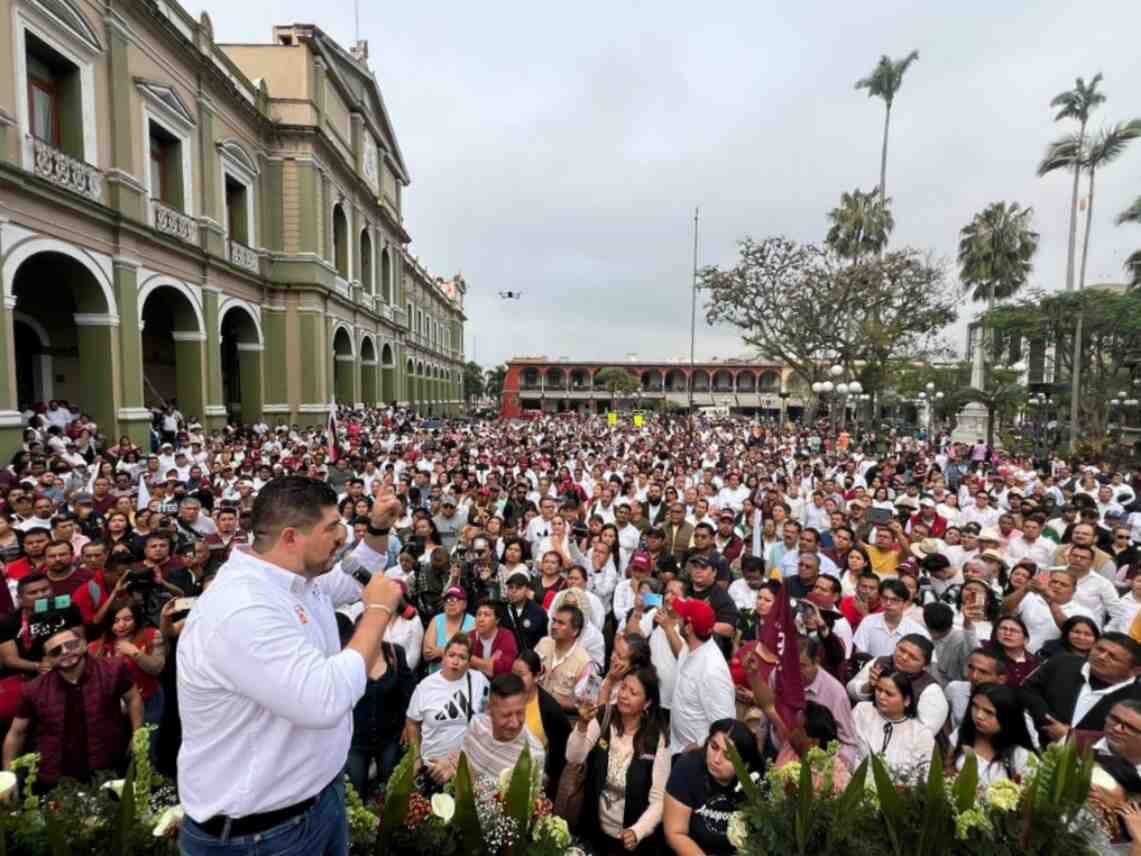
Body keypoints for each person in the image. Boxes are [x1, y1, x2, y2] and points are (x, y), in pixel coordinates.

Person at [176, 476, 403, 855]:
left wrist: (378, 529)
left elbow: (346, 582)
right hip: (262, 834)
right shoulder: (243, 608)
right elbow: (324, 699)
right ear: (291, 538)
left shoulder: (292, 579)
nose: (343, 536)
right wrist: (378, 612)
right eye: (331, 527)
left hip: (315, 801)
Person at [2, 626, 143, 791]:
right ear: (47, 659)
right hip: (55, 776)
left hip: (106, 766)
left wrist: (137, 734)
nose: (65, 651)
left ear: (83, 644)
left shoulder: (113, 670)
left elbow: (133, 698)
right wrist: (8, 777)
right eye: (55, 651)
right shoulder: (34, 690)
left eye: (71, 645)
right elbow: (17, 733)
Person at [569, 667, 670, 854]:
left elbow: (659, 800)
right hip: (593, 832)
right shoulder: (604, 716)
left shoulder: (656, 739)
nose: (624, 695)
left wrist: (637, 831)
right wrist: (582, 725)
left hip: (629, 841)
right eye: (623, 687)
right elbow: (574, 757)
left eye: (633, 693)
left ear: (647, 703)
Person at [663, 719, 764, 856]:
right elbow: (675, 833)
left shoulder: (756, 782)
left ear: (745, 765)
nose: (716, 759)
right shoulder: (688, 767)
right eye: (714, 747)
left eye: (728, 756)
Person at [1020, 632, 1141, 745]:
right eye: (1100, 649)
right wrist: (1047, 721)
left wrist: (1075, 737)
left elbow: (1133, 738)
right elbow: (1028, 689)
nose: (1102, 657)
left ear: (1135, 671)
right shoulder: (1063, 663)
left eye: (1113, 657)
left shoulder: (1137, 698)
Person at [404, 634, 490, 783]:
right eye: (451, 655)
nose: (455, 661)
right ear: (443, 657)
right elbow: (412, 722)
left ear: (469, 662)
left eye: (462, 657)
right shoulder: (425, 687)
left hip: (465, 768)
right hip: (432, 768)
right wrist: (416, 758)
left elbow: (486, 722)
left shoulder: (480, 681)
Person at [348, 637, 415, 798]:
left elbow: (408, 691)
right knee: (355, 793)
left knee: (391, 790)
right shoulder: (348, 658)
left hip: (389, 737)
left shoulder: (395, 653)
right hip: (356, 739)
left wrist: (408, 723)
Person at [669, 599, 735, 755]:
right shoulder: (689, 647)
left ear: (689, 628)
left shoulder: (712, 670)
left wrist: (697, 745)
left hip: (696, 755)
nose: (677, 620)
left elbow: (725, 723)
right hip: (676, 746)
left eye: (681, 618)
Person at [848, 634, 949, 736]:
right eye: (901, 650)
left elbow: (925, 733)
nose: (904, 657)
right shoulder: (880, 663)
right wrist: (869, 686)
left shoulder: (931, 691)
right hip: (866, 726)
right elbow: (850, 690)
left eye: (913, 657)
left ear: (925, 666)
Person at [87, 596, 166, 724]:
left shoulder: (152, 635)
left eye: (127, 619)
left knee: (144, 737)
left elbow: (157, 668)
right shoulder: (97, 646)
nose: (121, 625)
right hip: (113, 708)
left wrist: (135, 653)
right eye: (116, 620)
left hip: (148, 702)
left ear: (136, 619)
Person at [461, 673, 546, 783]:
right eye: (506, 715)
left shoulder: (534, 753)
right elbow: (463, 763)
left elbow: (531, 793)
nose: (515, 723)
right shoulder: (477, 725)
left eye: (520, 713)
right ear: (489, 710)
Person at [852, 671, 936, 779]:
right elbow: (845, 747)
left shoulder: (921, 734)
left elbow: (923, 776)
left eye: (889, 694)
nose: (881, 696)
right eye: (879, 689)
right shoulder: (861, 711)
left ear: (906, 701)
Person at [948, 684, 1035, 785]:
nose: (979, 716)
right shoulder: (962, 733)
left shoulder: (1021, 756)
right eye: (975, 706)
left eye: (989, 712)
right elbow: (948, 772)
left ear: (1007, 717)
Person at [512, 650, 571, 798]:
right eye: (513, 673)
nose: (514, 679)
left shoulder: (550, 709)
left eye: (520, 675)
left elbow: (560, 755)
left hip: (533, 779)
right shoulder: (505, 696)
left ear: (536, 676)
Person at [534, 604, 594, 713]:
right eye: (554, 621)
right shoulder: (543, 643)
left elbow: (586, 704)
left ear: (575, 631)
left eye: (561, 623)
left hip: (563, 717)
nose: (554, 626)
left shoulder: (585, 663)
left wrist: (554, 703)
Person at [851, 578, 930, 659]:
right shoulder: (868, 621)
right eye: (885, 598)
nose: (888, 603)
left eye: (895, 600)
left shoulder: (917, 630)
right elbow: (860, 654)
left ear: (905, 603)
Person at [423, 587, 476, 673]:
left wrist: (441, 651)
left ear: (465, 604)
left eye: (456, 600)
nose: (451, 603)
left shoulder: (473, 622)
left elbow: (473, 655)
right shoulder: (436, 620)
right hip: (436, 675)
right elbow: (427, 654)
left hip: (463, 674)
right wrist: (456, 652)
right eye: (447, 600)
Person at [468, 599, 518, 679]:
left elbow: (505, 669)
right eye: (478, 615)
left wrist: (470, 658)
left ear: (497, 620)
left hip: (500, 684)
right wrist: (489, 665)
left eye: (486, 615)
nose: (481, 619)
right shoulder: (469, 637)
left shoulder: (506, 636)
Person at [988, 615, 1041, 688]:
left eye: (1014, 631)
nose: (1007, 633)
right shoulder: (987, 656)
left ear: (1026, 639)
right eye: (1003, 629)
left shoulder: (1036, 663)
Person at [502, 571, 548, 652]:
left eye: (518, 588)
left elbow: (543, 639)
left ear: (527, 590)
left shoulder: (538, 612)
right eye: (510, 587)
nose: (513, 591)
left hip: (530, 654)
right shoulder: (503, 609)